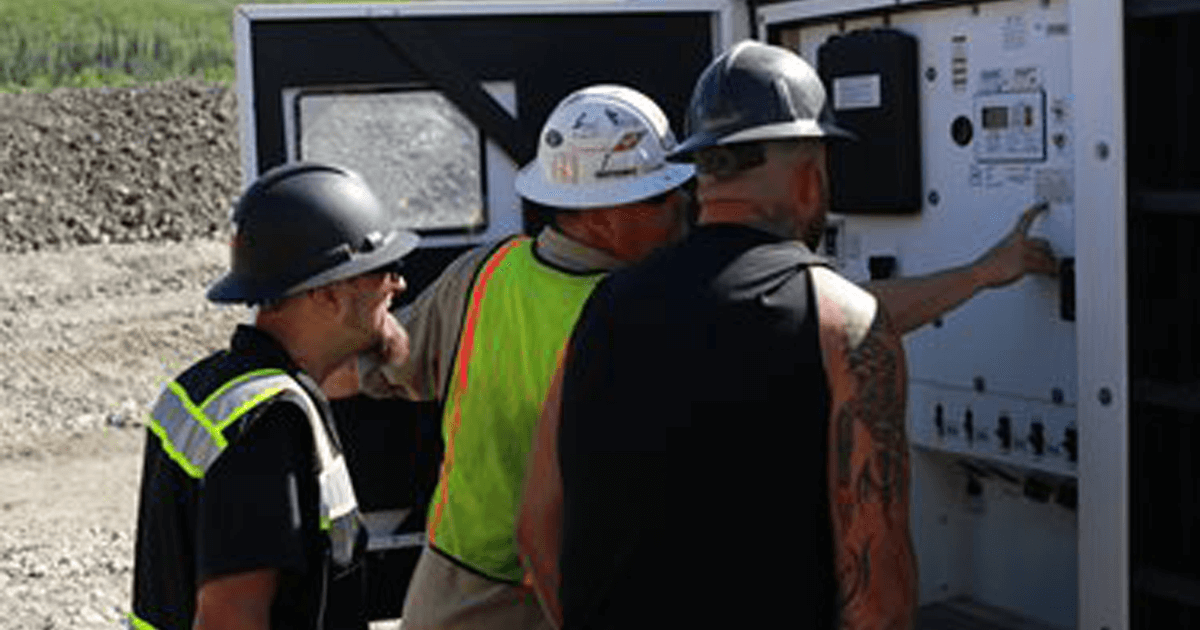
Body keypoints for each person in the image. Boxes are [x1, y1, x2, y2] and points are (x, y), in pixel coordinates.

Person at [515, 40, 1061, 630]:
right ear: (809, 178)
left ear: (702, 172)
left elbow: (536, 529)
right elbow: (878, 597)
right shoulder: (844, 326)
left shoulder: (602, 310)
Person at [327, 85, 695, 630]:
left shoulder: (484, 275)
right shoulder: (657, 306)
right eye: (661, 197)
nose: (685, 208)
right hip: (594, 592)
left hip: (461, 595)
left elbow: (347, 371)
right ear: (600, 215)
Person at [127, 162, 418, 630]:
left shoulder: (208, 386)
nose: (399, 284)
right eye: (384, 268)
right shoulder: (268, 423)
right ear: (330, 295)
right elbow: (231, 622)